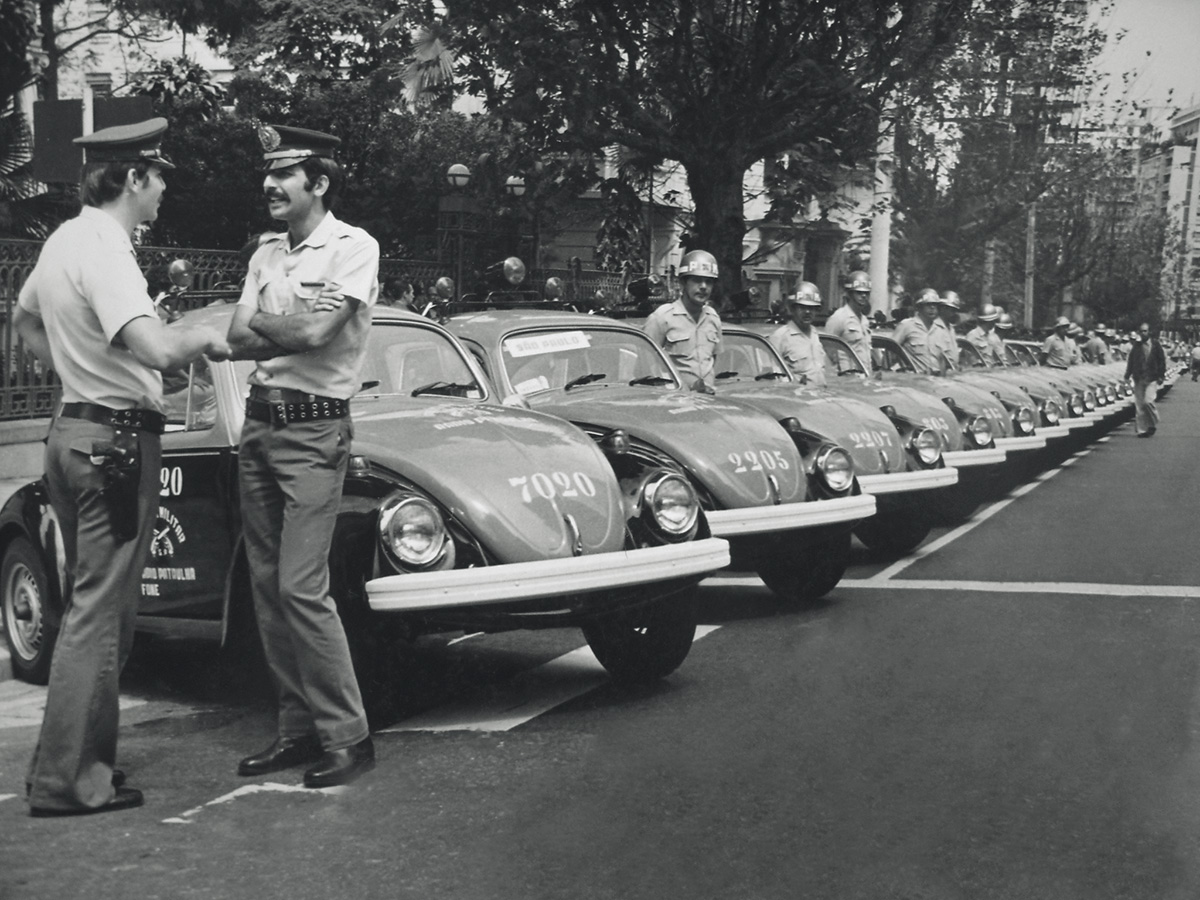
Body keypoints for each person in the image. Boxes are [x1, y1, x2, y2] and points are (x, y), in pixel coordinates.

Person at [15, 118, 230, 816]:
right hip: (113, 441)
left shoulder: (61, 241)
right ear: (132, 179)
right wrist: (205, 334)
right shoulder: (106, 246)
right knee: (99, 614)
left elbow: (22, 321)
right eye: (158, 174)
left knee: (94, 606)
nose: (164, 186)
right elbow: (157, 350)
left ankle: (79, 765)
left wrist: (80, 373)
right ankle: (68, 782)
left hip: (73, 429)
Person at [225, 124, 378, 788]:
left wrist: (264, 325)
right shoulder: (264, 255)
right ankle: (295, 731)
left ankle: (348, 735)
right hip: (258, 427)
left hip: (316, 433)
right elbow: (234, 339)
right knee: (266, 590)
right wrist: (272, 329)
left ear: (318, 183)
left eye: (284, 173)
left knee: (300, 586)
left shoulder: (353, 247)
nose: (269, 184)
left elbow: (319, 332)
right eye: (268, 173)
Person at [643, 249, 722, 392]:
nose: (703, 287)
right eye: (697, 280)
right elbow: (647, 364)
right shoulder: (662, 318)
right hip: (675, 401)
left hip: (709, 400)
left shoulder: (713, 318)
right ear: (683, 283)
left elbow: (713, 359)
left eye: (708, 282)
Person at [768, 282, 827, 386]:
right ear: (792, 309)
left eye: (812, 308)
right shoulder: (780, 337)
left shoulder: (815, 334)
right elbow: (772, 378)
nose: (808, 312)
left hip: (821, 397)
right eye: (802, 307)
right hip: (797, 398)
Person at [825, 270, 873, 371]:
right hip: (846, 378)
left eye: (866, 293)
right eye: (859, 292)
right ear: (850, 294)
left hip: (864, 377)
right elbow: (827, 353)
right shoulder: (838, 318)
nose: (863, 296)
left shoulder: (864, 321)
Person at [893, 289, 949, 374]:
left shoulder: (940, 330)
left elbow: (942, 361)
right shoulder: (906, 326)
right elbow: (891, 352)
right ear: (919, 307)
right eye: (928, 305)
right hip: (914, 380)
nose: (932, 308)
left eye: (935, 305)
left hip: (936, 381)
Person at [1125, 323, 1166, 437]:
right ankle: (1142, 430)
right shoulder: (1137, 345)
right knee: (1139, 406)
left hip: (1152, 377)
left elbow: (1161, 360)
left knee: (1148, 401)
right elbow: (1131, 360)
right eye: (1141, 331)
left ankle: (1153, 422)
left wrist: (1161, 375)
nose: (1143, 333)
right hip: (1139, 377)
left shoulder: (1156, 345)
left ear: (1149, 332)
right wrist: (1127, 374)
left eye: (1145, 331)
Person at [932, 291, 962, 370]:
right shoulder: (933, 327)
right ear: (942, 308)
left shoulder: (951, 329)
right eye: (951, 309)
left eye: (955, 310)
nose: (954, 313)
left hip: (953, 371)